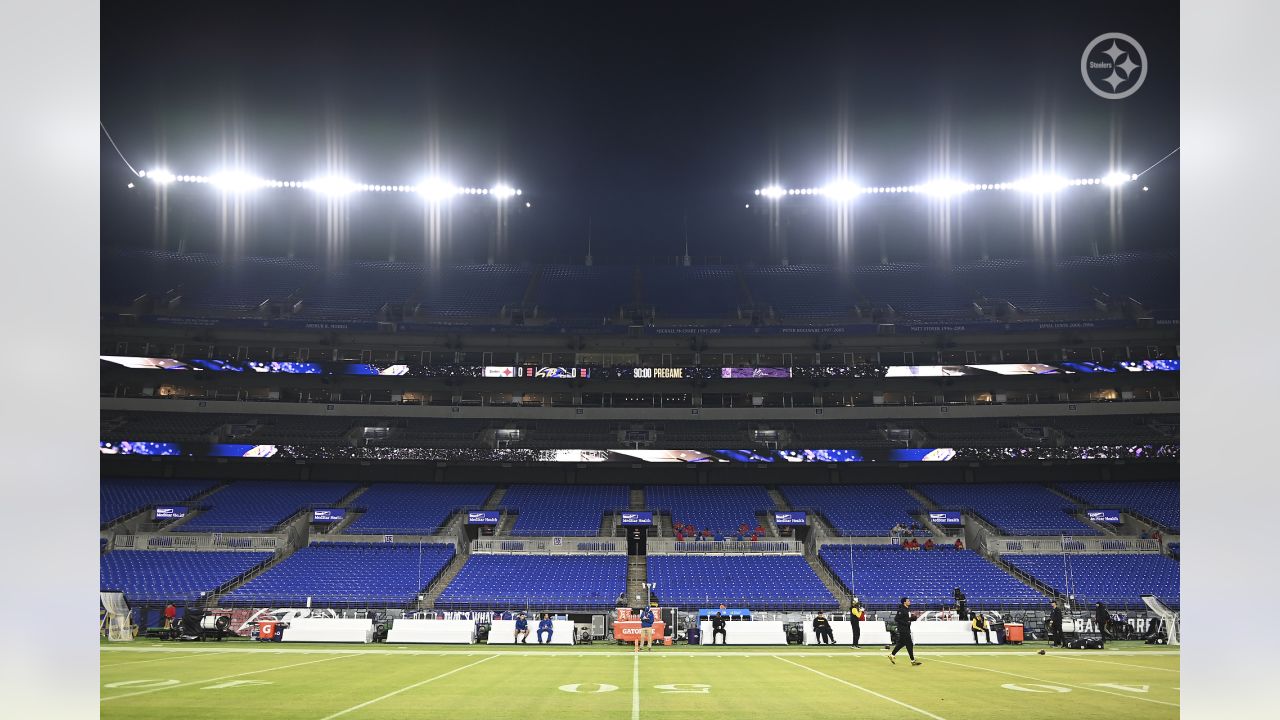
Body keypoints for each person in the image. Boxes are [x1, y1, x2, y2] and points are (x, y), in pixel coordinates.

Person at [888, 597, 921, 665]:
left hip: (907, 628)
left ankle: (892, 655)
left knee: (901, 643)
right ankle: (912, 660)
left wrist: (912, 619)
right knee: (909, 644)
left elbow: (906, 619)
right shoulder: (901, 609)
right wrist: (906, 622)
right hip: (903, 629)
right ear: (904, 602)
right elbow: (896, 619)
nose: (909, 601)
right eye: (908, 601)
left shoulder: (907, 609)